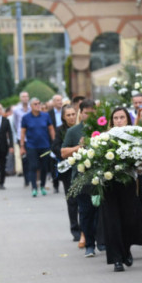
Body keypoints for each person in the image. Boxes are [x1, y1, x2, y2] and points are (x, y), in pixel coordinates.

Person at [100, 107, 142, 272]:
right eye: (116, 118)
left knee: (129, 220)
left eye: (122, 117)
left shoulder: (135, 137)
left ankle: (126, 250)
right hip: (109, 183)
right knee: (112, 221)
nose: (119, 120)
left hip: (127, 183)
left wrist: (139, 163)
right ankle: (116, 259)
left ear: (128, 119)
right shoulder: (105, 138)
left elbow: (141, 167)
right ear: (111, 121)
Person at [62, 99, 99, 257]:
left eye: (92, 113)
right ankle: (89, 245)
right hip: (81, 177)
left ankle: (102, 241)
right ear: (81, 113)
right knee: (85, 212)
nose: (89, 115)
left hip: (100, 177)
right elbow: (63, 152)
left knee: (101, 212)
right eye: (86, 113)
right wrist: (79, 147)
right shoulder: (73, 131)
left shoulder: (102, 128)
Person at [52, 105, 81, 242]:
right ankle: (75, 229)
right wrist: (68, 152)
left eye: (73, 114)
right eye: (68, 115)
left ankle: (86, 228)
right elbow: (56, 147)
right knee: (72, 200)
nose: (71, 117)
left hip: (81, 167)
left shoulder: (81, 128)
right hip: (68, 169)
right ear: (63, 117)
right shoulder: (60, 130)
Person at [20, 98, 55, 197]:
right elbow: (22, 132)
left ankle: (43, 186)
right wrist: (22, 146)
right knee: (33, 166)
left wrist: (54, 141)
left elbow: (51, 129)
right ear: (31, 106)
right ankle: (34, 187)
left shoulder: (45, 115)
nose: (38, 105)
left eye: (39, 103)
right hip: (31, 146)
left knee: (44, 167)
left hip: (45, 145)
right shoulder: (26, 117)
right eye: (35, 104)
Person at [13, 91, 32, 185]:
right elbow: (16, 124)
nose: (25, 98)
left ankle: (32, 177)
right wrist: (19, 134)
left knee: (31, 158)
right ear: (20, 98)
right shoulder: (16, 110)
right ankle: (26, 178)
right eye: (23, 96)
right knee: (24, 158)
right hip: (21, 137)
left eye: (26, 96)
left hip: (31, 136)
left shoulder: (31, 108)